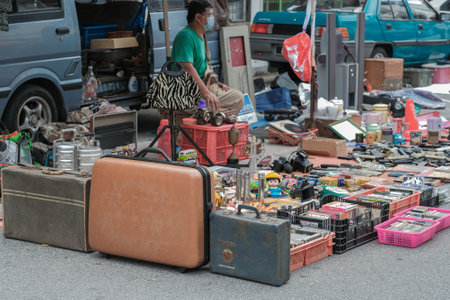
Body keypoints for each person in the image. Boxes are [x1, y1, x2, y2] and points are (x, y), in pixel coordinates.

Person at [171, 0, 244, 116]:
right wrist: (205, 92)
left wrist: (215, 82)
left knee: (238, 98)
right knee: (213, 108)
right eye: (209, 14)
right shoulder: (185, 36)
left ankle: (215, 122)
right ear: (198, 17)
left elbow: (203, 68)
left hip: (204, 86)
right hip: (188, 91)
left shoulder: (201, 36)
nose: (212, 18)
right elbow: (187, 68)